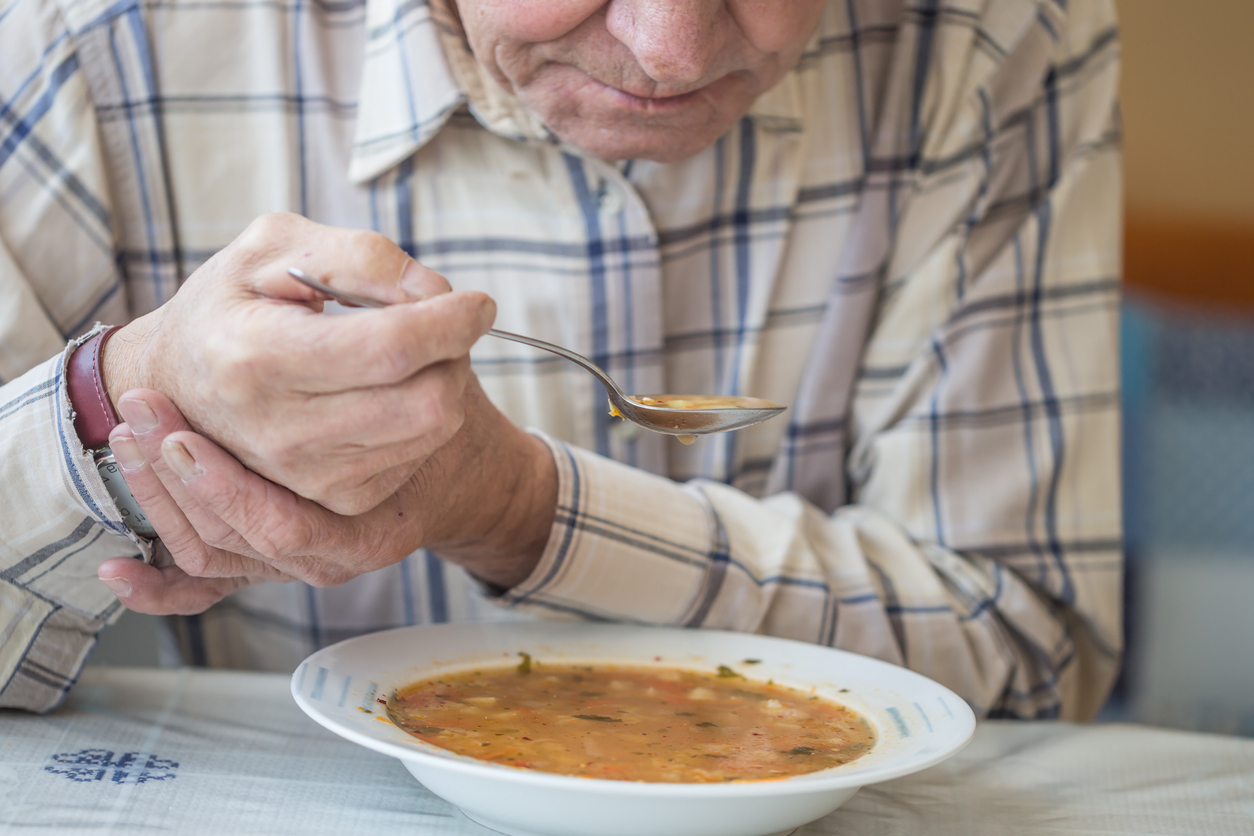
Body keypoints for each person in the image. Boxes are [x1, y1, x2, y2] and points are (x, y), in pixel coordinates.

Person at [0, 0, 1122, 718]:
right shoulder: (85, 39)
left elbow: (1031, 653)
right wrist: (111, 397)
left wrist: (521, 505)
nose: (669, 49)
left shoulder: (993, 39)